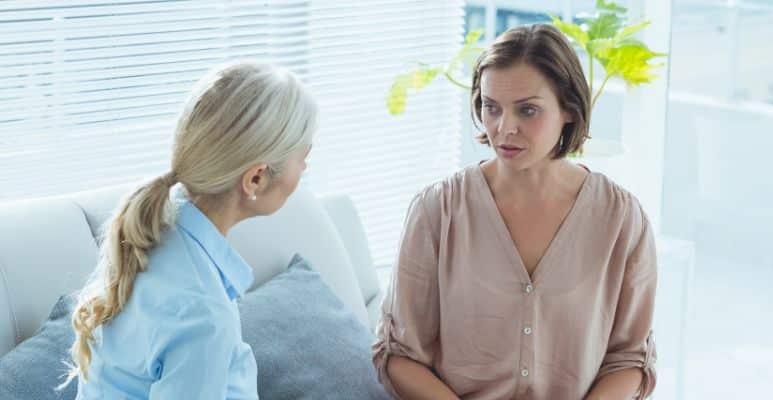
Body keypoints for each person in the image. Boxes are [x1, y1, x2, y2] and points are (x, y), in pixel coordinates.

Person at [372, 24, 657, 400]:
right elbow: (397, 355)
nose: (505, 128)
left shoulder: (620, 220)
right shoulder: (437, 212)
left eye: (528, 110)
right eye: (492, 108)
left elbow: (630, 360)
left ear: (569, 109)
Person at [63, 61, 317, 399]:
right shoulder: (202, 312)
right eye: (303, 156)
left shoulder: (155, 229)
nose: (305, 168)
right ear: (255, 178)